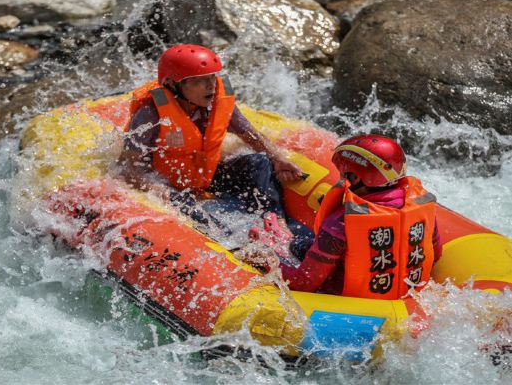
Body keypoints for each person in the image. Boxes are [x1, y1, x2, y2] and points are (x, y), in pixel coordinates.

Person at [118, 44, 303, 229]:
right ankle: (236, 245)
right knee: (181, 203)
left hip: (207, 177)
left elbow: (249, 134)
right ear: (172, 84)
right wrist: (153, 187)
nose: (211, 86)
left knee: (259, 163)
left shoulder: (216, 102)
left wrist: (278, 159)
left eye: (212, 77)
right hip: (169, 186)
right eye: (199, 80)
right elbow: (127, 167)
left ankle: (276, 223)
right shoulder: (150, 114)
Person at [275, 134, 443, 299]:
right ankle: (288, 240)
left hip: (350, 302)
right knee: (300, 244)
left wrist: (269, 264)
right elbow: (435, 253)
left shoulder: (340, 223)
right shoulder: (420, 205)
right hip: (406, 296)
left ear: (355, 178)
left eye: (343, 174)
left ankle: (278, 242)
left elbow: (303, 283)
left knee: (283, 251)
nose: (340, 179)